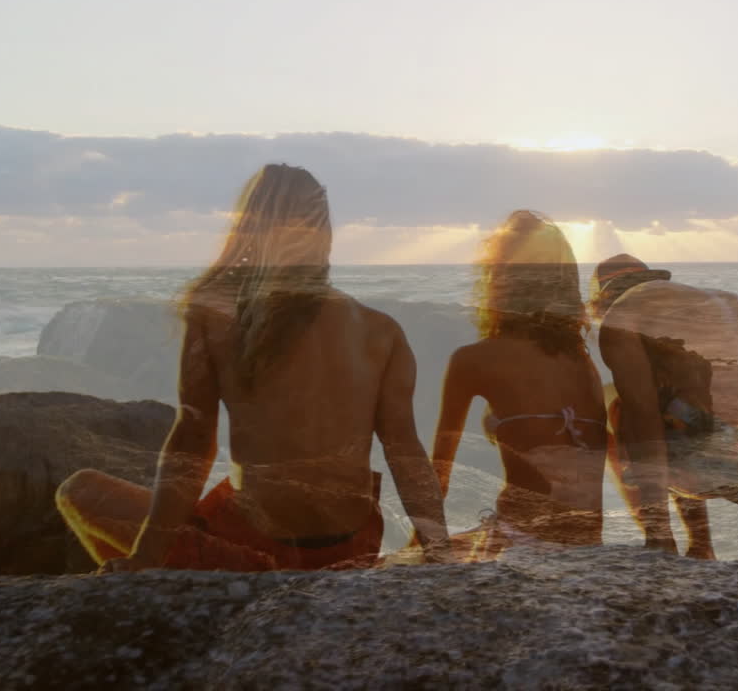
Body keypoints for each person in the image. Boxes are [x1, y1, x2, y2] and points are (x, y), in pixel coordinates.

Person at [55, 164, 452, 571]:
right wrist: (438, 549)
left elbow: (193, 440)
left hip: (255, 552)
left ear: (251, 227)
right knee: (222, 496)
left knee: (80, 490)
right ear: (325, 232)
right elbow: (405, 452)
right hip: (348, 551)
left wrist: (147, 558)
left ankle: (158, 599)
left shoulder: (215, 315)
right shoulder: (380, 330)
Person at [591, 254, 738, 559]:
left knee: (620, 408)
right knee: (680, 401)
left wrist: (658, 534)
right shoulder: (736, 303)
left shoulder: (622, 315)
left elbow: (645, 422)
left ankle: (670, 537)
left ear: (602, 300)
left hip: (715, 468)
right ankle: (701, 545)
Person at [430, 210, 608, 561]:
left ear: (499, 278)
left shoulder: (474, 359)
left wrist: (424, 545)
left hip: (522, 540)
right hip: (587, 542)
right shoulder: (580, 361)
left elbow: (439, 475)